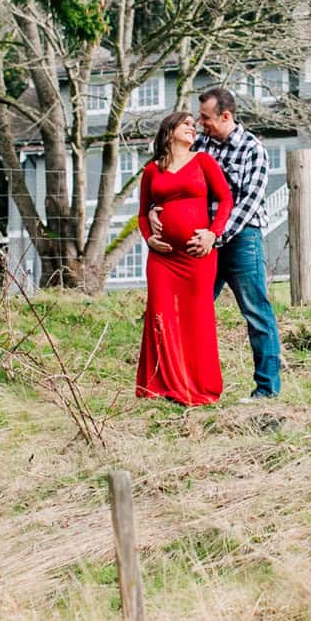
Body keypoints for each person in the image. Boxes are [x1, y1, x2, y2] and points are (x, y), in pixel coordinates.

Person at [151, 86, 282, 400]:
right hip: (201, 242)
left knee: (256, 312)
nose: (200, 123)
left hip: (241, 239)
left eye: (206, 118)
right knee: (190, 311)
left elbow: (249, 201)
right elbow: (175, 182)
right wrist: (156, 211)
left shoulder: (253, 149)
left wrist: (216, 234)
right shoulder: (200, 148)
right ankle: (182, 384)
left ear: (226, 116)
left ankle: (267, 389)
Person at [135, 109, 232, 406]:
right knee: (160, 317)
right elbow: (142, 213)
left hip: (196, 256)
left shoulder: (203, 161)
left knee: (197, 318)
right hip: (162, 260)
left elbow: (226, 199)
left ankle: (200, 387)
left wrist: (213, 234)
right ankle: (163, 386)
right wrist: (149, 238)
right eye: (186, 124)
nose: (193, 128)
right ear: (169, 131)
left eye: (194, 125)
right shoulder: (152, 170)